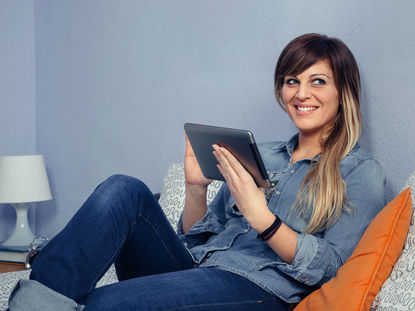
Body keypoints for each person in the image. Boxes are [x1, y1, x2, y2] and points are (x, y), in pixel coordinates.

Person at [8, 33, 386, 311]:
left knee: (100, 303)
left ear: (343, 91)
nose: (302, 93)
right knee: (122, 189)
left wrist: (263, 219)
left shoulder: (359, 172)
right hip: (197, 268)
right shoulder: (261, 154)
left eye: (318, 81)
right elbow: (197, 239)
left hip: (259, 289)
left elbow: (332, 268)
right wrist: (195, 189)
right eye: (293, 81)